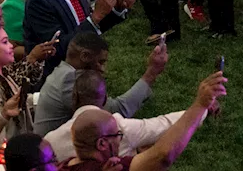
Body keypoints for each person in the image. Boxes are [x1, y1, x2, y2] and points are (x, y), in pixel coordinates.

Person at [62, 72, 225, 171]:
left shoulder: (58, 161)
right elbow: (163, 155)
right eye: (118, 135)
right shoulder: (112, 167)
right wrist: (201, 106)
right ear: (102, 144)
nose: (120, 138)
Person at [33, 31, 166, 138]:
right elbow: (115, 111)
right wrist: (151, 73)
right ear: (85, 56)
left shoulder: (63, 72)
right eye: (101, 62)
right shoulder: (70, 80)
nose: (103, 69)